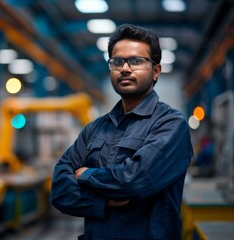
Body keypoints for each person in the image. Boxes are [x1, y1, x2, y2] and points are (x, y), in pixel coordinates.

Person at [50, 24, 193, 240]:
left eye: (136, 61)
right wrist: (103, 201)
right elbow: (60, 190)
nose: (125, 68)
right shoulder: (95, 129)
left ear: (156, 71)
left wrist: (86, 174)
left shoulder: (170, 124)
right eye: (117, 62)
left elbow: (134, 181)